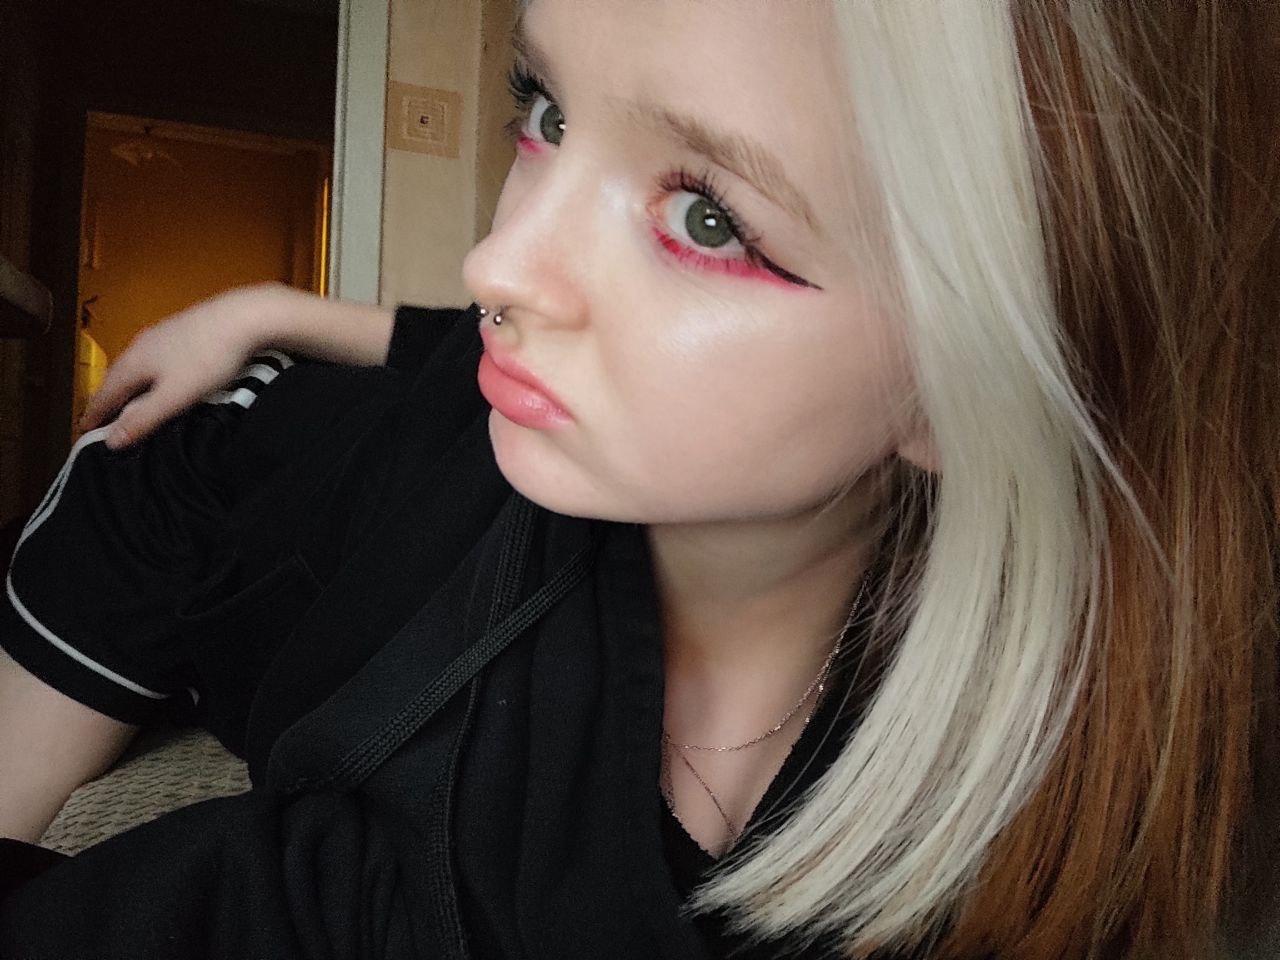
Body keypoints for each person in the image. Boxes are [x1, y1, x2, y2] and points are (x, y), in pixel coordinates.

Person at [2, 1, 1278, 958]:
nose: (499, 263)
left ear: (969, 384)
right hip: (185, 473)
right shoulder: (404, 828)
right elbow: (454, 343)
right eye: (544, 115)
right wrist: (271, 312)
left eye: (705, 220)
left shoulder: (1092, 758)